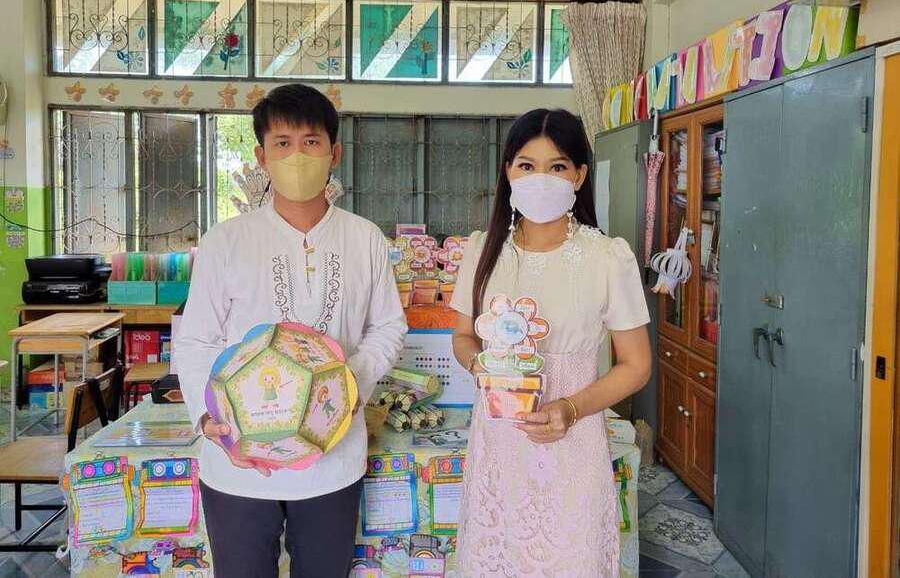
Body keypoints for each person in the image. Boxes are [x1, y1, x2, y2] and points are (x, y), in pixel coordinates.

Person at [175, 83, 407, 578]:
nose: (297, 155)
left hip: (332, 458)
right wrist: (206, 417)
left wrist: (346, 385)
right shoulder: (226, 241)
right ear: (262, 156)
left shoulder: (364, 238)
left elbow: (388, 326)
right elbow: (195, 339)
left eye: (311, 142)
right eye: (282, 143)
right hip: (238, 462)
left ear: (334, 153)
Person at [450, 108, 652, 577]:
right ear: (508, 172)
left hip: (572, 445)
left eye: (557, 166)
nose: (540, 178)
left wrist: (571, 409)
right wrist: (482, 366)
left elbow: (636, 364)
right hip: (499, 445)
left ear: (579, 175)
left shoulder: (606, 257)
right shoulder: (482, 250)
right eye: (527, 165)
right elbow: (462, 337)